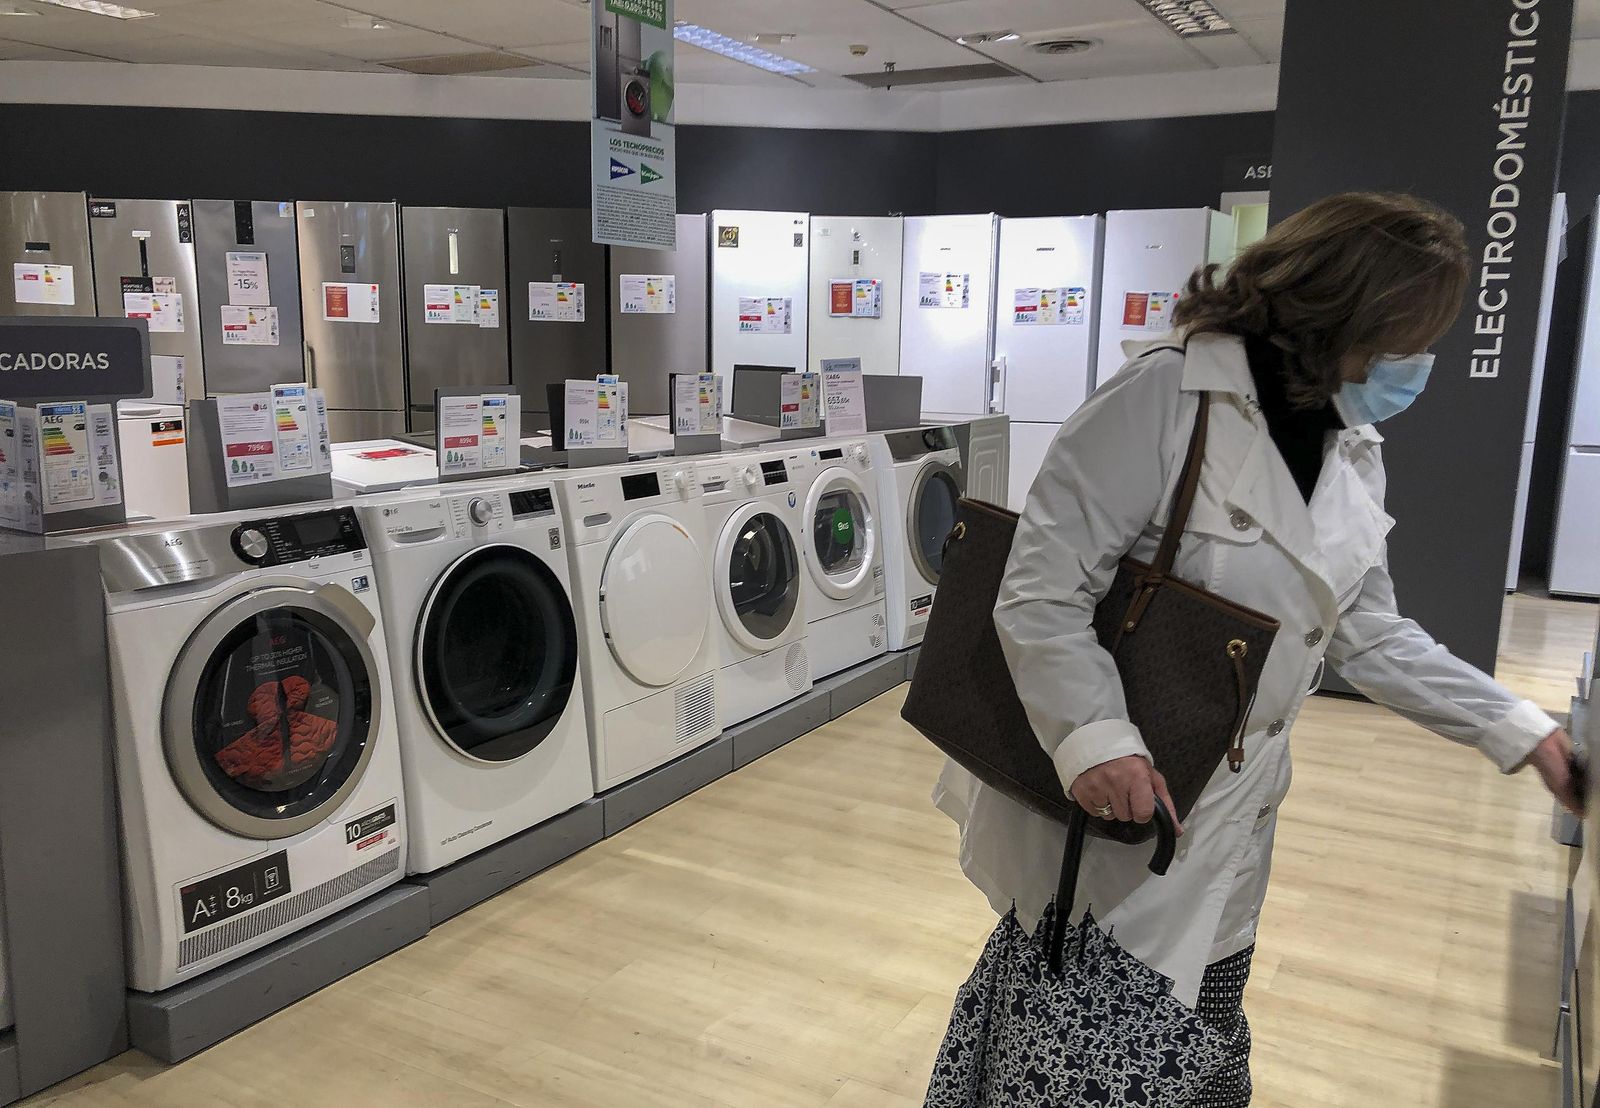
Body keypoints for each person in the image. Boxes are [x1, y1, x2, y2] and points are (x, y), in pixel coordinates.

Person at [931, 191, 1580, 1106]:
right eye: (1405, 335)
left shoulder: (1352, 440)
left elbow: (1367, 629)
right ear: (1337, 312)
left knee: (1196, 1029)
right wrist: (1095, 740)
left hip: (1232, 808)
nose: (1418, 363)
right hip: (1126, 796)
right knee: (1088, 1057)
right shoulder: (1164, 398)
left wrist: (1517, 727)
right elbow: (1037, 593)